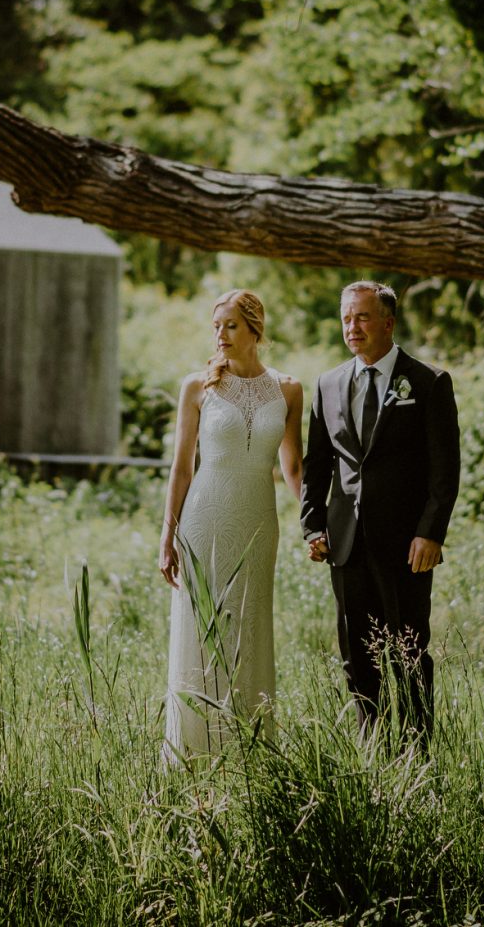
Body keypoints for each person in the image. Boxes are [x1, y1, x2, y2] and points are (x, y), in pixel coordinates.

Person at [300, 280, 460, 742]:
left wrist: (430, 532)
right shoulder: (328, 384)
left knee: (408, 654)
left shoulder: (428, 382)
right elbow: (317, 464)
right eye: (347, 317)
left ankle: (416, 755)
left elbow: (444, 468)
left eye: (363, 317)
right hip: (346, 543)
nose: (353, 326)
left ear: (388, 322)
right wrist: (313, 525)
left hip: (407, 544)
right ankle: (371, 749)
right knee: (358, 656)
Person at [158, 288, 304, 763]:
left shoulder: (288, 389)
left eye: (231, 325)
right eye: (216, 325)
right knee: (203, 631)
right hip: (203, 519)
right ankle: (193, 750)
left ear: (255, 330)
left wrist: (314, 526)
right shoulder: (196, 387)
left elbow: (294, 469)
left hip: (259, 520)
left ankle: (249, 752)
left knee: (249, 626)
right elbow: (181, 468)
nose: (220, 334)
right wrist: (167, 535)